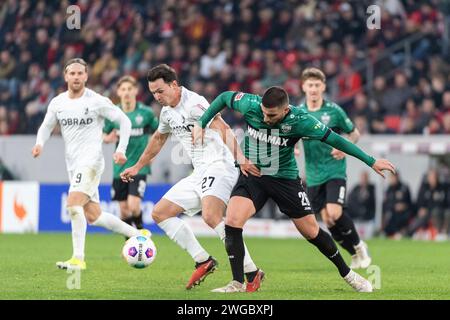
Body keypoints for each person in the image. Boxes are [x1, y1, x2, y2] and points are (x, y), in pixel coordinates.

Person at [194, 86, 395, 293]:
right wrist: (202, 123)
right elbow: (224, 97)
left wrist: (371, 161)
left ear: (285, 110)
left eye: (271, 115)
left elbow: (336, 139)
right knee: (233, 222)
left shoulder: (302, 120)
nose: (265, 117)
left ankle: (348, 274)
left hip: (284, 180)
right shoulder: (251, 104)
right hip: (253, 174)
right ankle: (237, 283)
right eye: (263, 112)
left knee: (312, 232)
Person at [120, 64, 260, 290]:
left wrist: (240, 158)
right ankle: (203, 260)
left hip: (220, 165)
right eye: (153, 93)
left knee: (211, 215)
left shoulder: (195, 103)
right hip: (200, 172)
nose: (157, 97)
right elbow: (157, 140)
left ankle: (251, 272)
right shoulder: (166, 112)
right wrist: (137, 166)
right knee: (160, 213)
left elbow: (222, 127)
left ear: (174, 85)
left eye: (160, 91)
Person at [32, 58, 148, 271]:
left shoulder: (96, 101)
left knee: (73, 203)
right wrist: (39, 144)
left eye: (80, 73)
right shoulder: (58, 102)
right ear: (66, 76)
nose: (76, 77)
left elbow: (125, 120)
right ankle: (137, 234)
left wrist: (121, 149)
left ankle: (78, 259)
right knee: (94, 216)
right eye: (72, 73)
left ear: (86, 76)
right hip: (73, 164)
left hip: (91, 161)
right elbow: (46, 126)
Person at [299, 68, 371, 269]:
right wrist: (295, 148)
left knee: (335, 212)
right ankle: (354, 253)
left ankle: (359, 245)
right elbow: (291, 134)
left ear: (323, 87)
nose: (313, 89)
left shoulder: (334, 110)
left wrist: (344, 149)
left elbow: (354, 133)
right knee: (328, 220)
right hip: (313, 174)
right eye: (310, 85)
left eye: (317, 85)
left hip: (334, 169)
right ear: (303, 87)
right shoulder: (298, 112)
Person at [103, 76, 159, 232]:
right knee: (124, 210)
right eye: (123, 89)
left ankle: (141, 233)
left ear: (136, 90)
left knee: (134, 206)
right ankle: (130, 240)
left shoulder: (146, 113)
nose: (126, 92)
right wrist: (107, 138)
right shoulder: (113, 114)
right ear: (118, 92)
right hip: (119, 167)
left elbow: (159, 133)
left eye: (129, 89)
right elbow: (102, 134)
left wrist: (152, 155)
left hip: (139, 166)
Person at [382, 172, 412, 238]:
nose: (392, 179)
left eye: (394, 177)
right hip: (392, 212)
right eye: (391, 178)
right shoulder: (389, 189)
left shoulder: (404, 188)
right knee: (389, 216)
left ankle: (401, 232)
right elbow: (386, 204)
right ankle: (389, 233)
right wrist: (394, 206)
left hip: (404, 213)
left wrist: (404, 206)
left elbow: (410, 203)